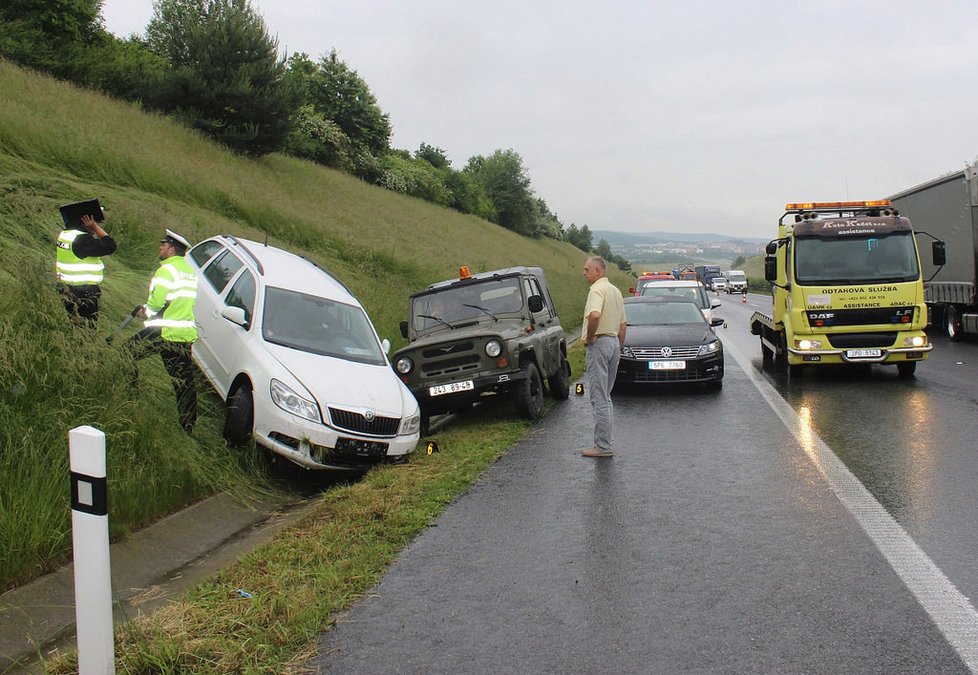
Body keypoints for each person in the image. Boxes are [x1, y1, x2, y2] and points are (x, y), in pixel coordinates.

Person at [127, 229, 199, 432]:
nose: (160, 247)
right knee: (184, 381)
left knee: (125, 354)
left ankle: (129, 397)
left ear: (171, 249)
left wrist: (145, 312)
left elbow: (158, 302)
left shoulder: (166, 270)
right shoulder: (187, 271)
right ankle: (188, 424)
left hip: (164, 331)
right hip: (183, 334)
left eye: (163, 245)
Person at [580, 256, 626, 458]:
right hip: (614, 343)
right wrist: (618, 347)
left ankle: (602, 446)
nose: (584, 273)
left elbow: (595, 315)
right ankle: (606, 442)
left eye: (587, 270)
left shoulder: (596, 290)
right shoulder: (615, 291)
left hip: (599, 344)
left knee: (599, 397)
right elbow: (623, 325)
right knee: (606, 397)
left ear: (598, 271)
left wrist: (590, 338)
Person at [56, 212, 117, 328]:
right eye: (96, 222)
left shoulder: (66, 234)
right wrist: (95, 228)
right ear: (86, 222)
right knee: (86, 330)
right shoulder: (82, 240)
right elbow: (111, 246)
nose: (97, 225)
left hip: (65, 288)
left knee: (70, 326)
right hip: (83, 293)